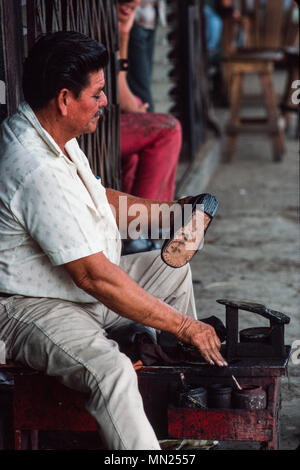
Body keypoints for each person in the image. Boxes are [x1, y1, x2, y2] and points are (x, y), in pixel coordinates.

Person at [0, 31, 227, 451]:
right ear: (65, 98)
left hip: (70, 287)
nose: (106, 101)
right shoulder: (35, 169)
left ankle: (181, 403)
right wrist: (184, 325)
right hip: (32, 306)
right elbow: (94, 277)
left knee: (169, 271)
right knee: (113, 372)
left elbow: (97, 198)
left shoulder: (54, 136)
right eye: (98, 93)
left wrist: (170, 215)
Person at [118, 0, 182, 253]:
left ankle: (150, 235)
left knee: (135, 158)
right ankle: (143, 230)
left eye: (134, 6)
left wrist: (123, 34)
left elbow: (120, 80)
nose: (129, 6)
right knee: (168, 129)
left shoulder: (119, 30)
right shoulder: (89, 24)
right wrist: (133, 107)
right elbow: (119, 95)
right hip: (80, 127)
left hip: (100, 122)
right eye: (123, 3)